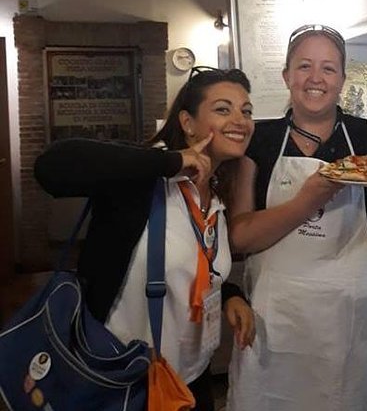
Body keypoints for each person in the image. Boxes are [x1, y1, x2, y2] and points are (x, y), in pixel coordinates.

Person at [34, 66, 257, 411]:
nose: (240, 120)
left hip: (189, 379)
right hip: (122, 380)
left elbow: (192, 263)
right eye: (223, 109)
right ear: (187, 122)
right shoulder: (143, 181)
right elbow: (51, 166)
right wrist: (170, 161)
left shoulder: (215, 191)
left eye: (246, 111)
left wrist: (230, 294)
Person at [226, 24, 367, 410]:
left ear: (343, 78)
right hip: (278, 320)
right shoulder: (258, 141)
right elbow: (240, 238)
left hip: (358, 320)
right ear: (286, 75)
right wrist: (306, 201)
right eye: (304, 66)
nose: (315, 78)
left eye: (328, 68)